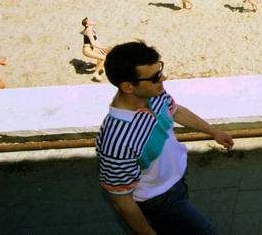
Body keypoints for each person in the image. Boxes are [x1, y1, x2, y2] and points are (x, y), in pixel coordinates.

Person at [96, 41, 234, 235]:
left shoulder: (153, 94)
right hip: (158, 201)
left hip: (175, 183)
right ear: (128, 86)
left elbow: (176, 112)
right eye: (155, 77)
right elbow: (122, 201)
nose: (164, 78)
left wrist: (213, 132)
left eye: (159, 70)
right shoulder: (117, 141)